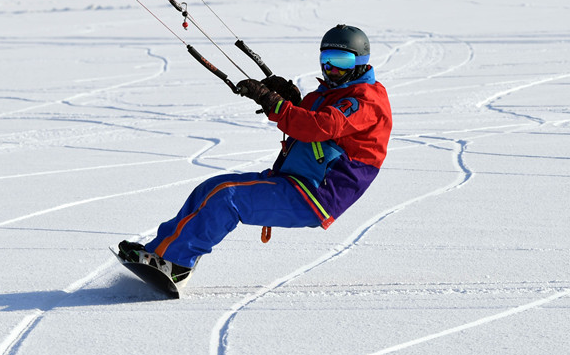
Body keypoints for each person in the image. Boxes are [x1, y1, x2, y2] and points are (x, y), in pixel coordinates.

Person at [118, 24, 392, 287]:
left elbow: (321, 126)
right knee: (211, 187)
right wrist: (293, 100)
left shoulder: (366, 99)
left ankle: (175, 266)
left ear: (360, 62)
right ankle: (159, 254)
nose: (332, 68)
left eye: (342, 61)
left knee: (227, 198)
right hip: (295, 180)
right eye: (327, 59)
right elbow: (312, 119)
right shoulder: (332, 93)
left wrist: (276, 104)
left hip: (316, 194)